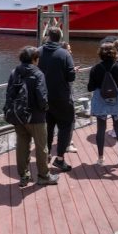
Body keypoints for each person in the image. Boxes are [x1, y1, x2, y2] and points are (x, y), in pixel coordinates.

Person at [5, 46, 60, 187]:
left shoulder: (14, 72)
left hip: (18, 116)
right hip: (36, 117)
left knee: (22, 146)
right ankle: (43, 176)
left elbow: (9, 94)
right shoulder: (38, 74)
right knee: (41, 147)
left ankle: (24, 176)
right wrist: (45, 108)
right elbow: (42, 97)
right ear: (35, 59)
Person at [37, 28, 76, 173]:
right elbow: (71, 77)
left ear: (48, 37)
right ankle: (59, 159)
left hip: (43, 97)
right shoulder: (64, 53)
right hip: (61, 98)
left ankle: (46, 156)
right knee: (65, 126)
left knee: (47, 128)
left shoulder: (39, 51)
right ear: (60, 38)